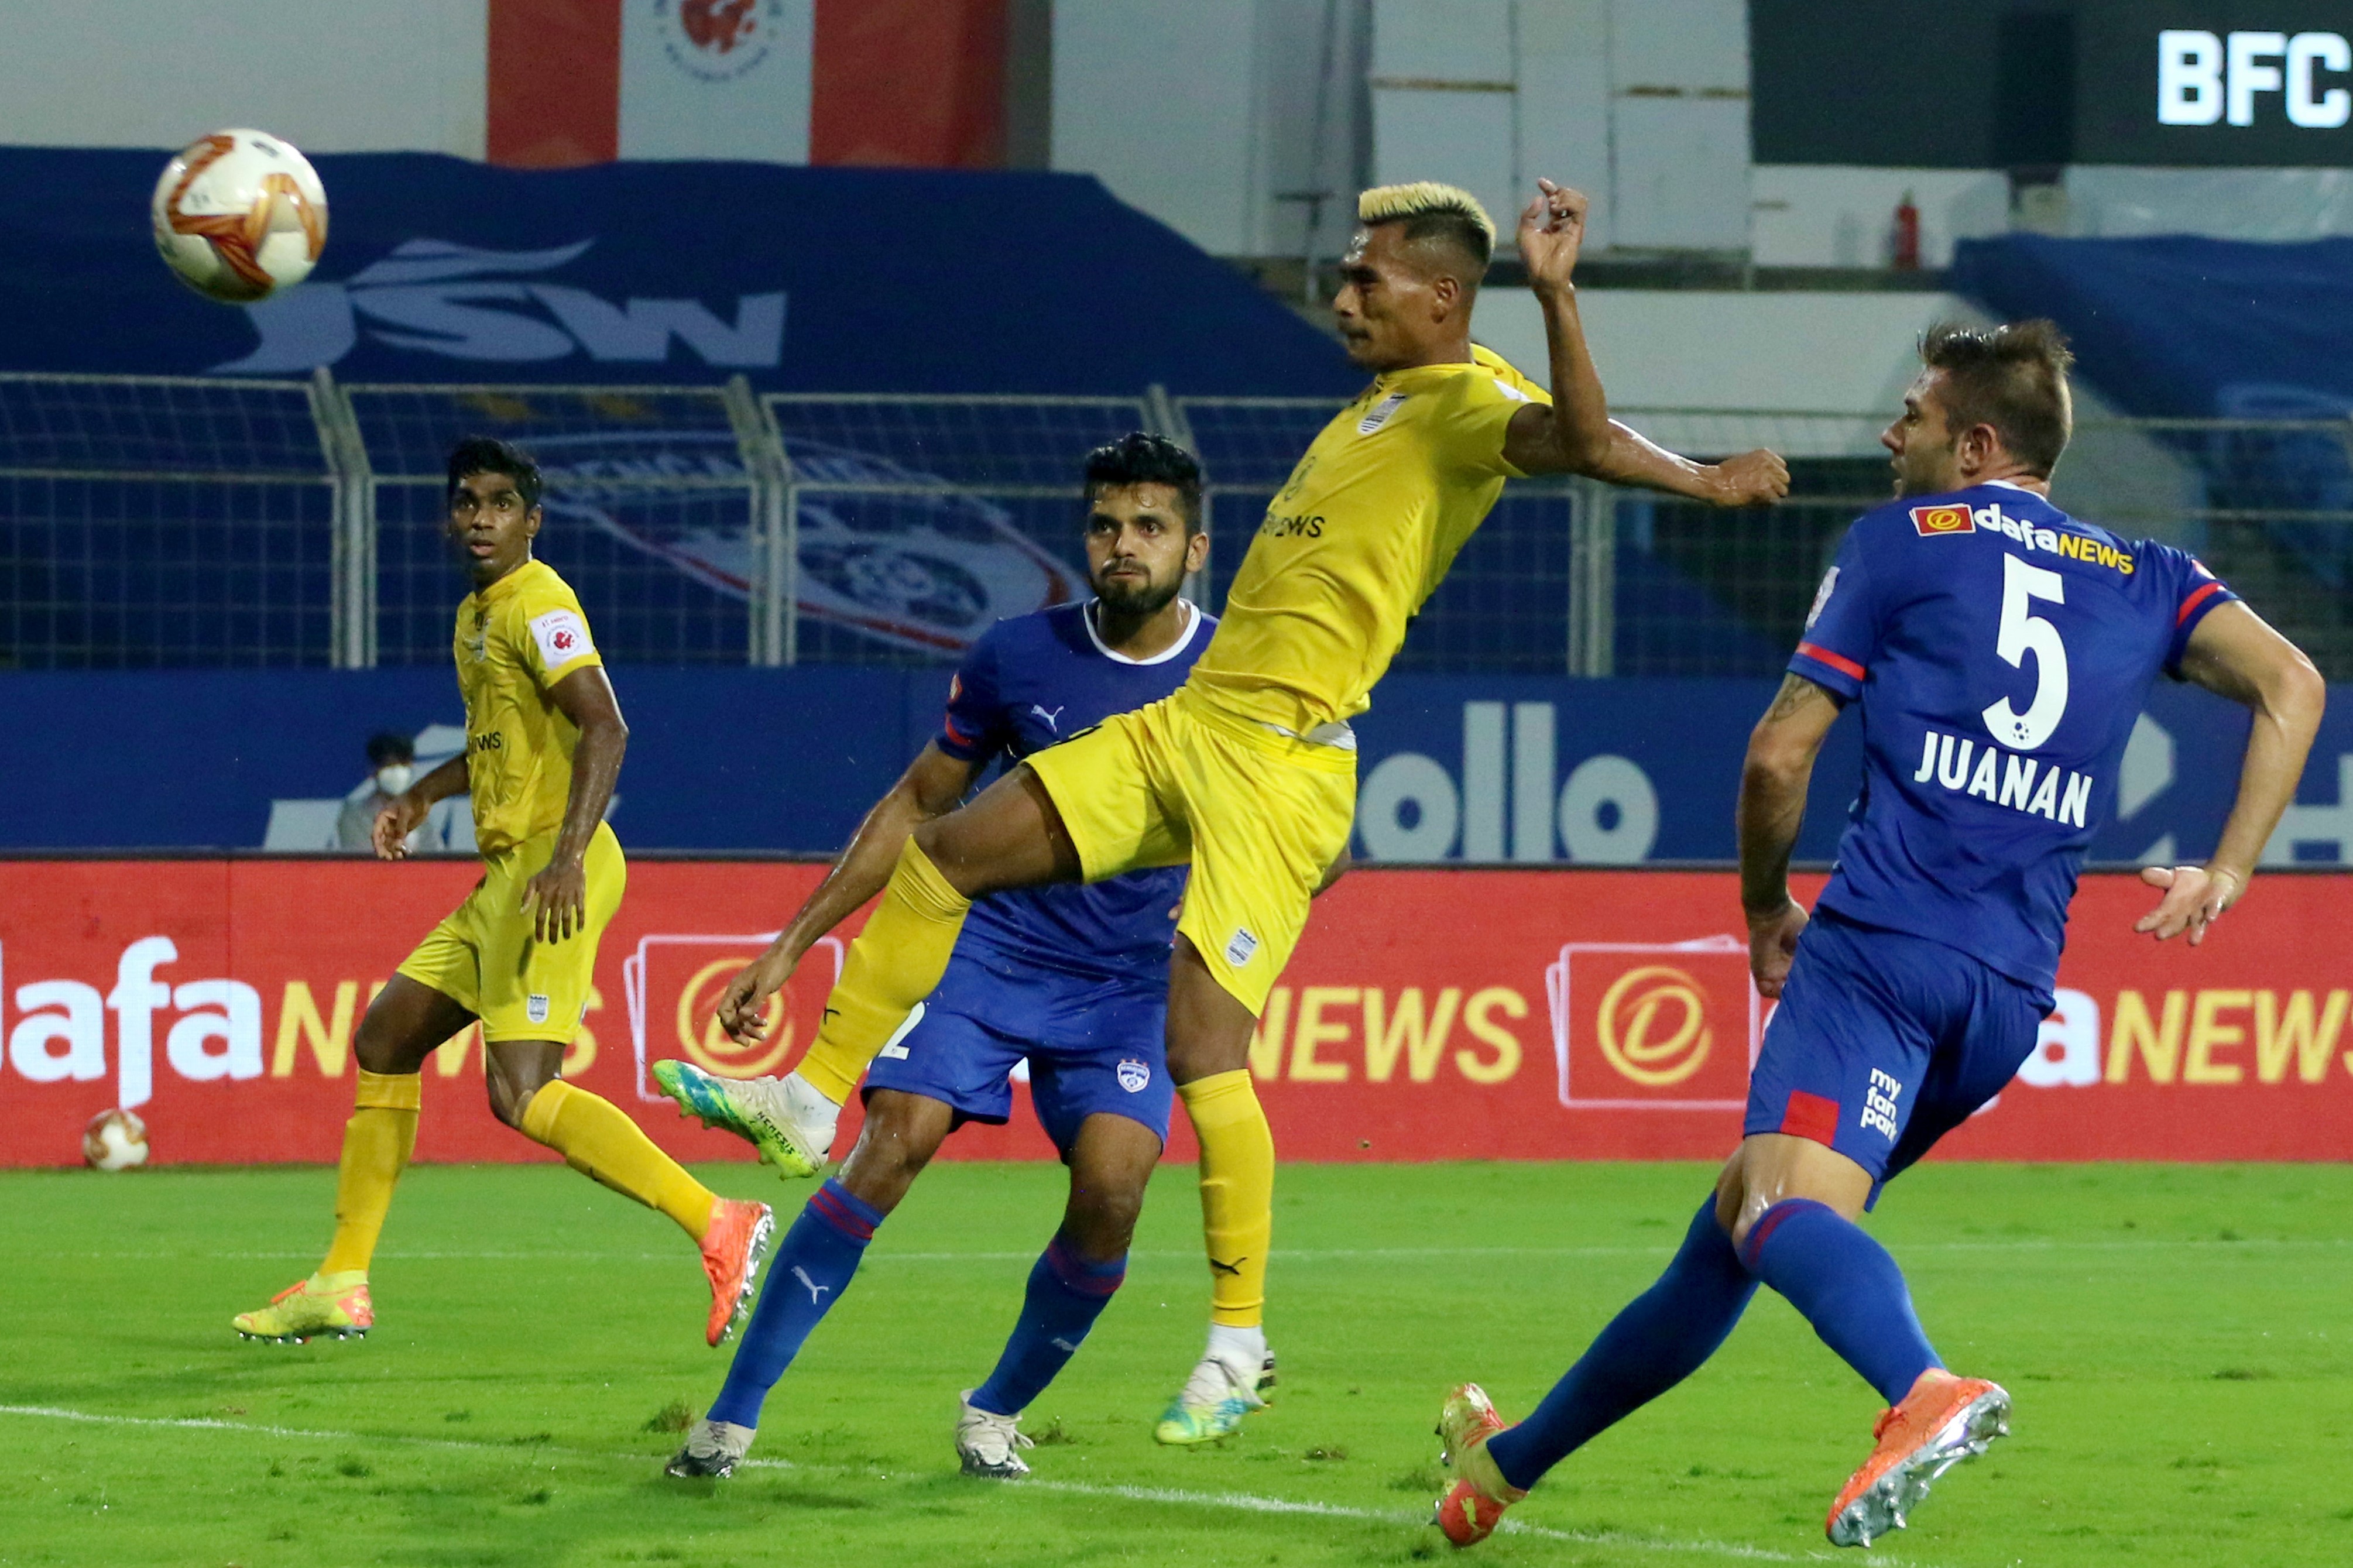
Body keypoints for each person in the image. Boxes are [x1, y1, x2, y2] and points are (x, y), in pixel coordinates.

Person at [700, 177, 1790, 1443]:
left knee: (1203, 1049)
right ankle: (808, 1093)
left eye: (1366, 281)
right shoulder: (1392, 398)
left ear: (1442, 296)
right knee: (944, 853)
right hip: (1196, 721)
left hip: (1278, 758)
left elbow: (1586, 442)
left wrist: (1598, 347)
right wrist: (1698, 468)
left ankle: (1236, 1340)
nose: (1340, 297)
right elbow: (1590, 436)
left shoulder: (1470, 404)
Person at [1428, 320, 2325, 1550]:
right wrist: (2228, 870)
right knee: (1739, 1230)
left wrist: (1761, 908)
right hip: (2010, 997)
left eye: (1911, 412)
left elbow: (1776, 754)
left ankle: (1924, 1389)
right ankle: (1503, 1469)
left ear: (1976, 443)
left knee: (1776, 1210)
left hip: (1882, 951)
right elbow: (2296, 686)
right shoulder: (2150, 573)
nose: (1887, 431)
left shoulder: (1900, 542)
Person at [659, 433, 1253, 1478]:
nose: (1126, 545)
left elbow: (1308, 838)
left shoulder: (1236, 675)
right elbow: (921, 804)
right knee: (894, 1138)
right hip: (993, 949)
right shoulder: (1018, 655)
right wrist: (796, 942)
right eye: (1108, 525)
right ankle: (731, 1419)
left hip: (1126, 982)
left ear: (1194, 546)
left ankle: (994, 1410)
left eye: (1150, 527)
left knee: (1116, 1188)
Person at [232, 437, 773, 1348]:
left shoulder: (543, 602)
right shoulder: (475, 615)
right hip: (505, 874)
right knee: (384, 1037)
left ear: (533, 517)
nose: (479, 516)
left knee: (521, 1091)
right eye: (465, 501)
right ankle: (342, 1279)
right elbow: (492, 744)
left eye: (498, 502)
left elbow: (606, 725)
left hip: (549, 869)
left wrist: (565, 855)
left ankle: (719, 1220)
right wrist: (420, 794)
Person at [337, 732, 419, 853]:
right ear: (373, 769)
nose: (397, 771)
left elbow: (438, 857)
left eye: (403, 764)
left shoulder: (420, 811)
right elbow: (361, 858)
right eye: (390, 765)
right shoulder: (355, 815)